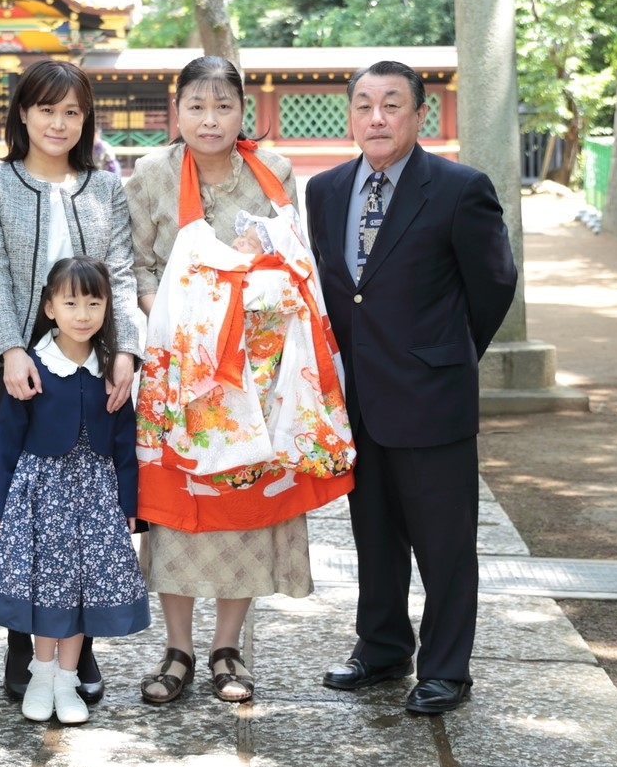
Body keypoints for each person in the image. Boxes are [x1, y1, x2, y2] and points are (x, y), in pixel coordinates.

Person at [127, 56, 353, 705]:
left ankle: (228, 647)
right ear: (178, 111)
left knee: (245, 511)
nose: (209, 118)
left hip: (257, 370)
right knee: (175, 512)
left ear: (241, 110)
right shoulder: (151, 175)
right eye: (196, 105)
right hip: (181, 368)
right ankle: (177, 649)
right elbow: (136, 268)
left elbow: (294, 258)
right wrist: (186, 319)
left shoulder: (272, 172)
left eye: (223, 105)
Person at [304, 60, 519, 715]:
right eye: (364, 103)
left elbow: (494, 283)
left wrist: (447, 355)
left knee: (444, 541)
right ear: (351, 114)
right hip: (357, 397)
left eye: (391, 104)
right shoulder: (325, 191)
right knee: (373, 532)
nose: (376, 116)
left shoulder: (458, 189)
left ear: (418, 113)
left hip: (431, 395)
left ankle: (447, 667)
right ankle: (382, 645)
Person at [0, 58, 142, 704]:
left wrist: (126, 353)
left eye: (71, 111)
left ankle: (77, 649)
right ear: (22, 115)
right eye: (46, 109)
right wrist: (12, 349)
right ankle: (25, 648)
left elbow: (120, 272)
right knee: (20, 507)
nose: (58, 123)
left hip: (93, 367)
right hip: (19, 363)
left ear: (85, 118)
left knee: (89, 511)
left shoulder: (105, 188)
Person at [0, 256, 150, 726]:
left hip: (95, 498)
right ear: (50, 307)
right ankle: (42, 673)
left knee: (82, 590)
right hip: (40, 496)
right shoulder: (34, 366)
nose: (83, 313)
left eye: (94, 302)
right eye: (70, 302)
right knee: (45, 586)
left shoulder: (113, 370)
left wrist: (131, 505)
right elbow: (6, 438)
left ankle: (68, 678)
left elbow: (127, 442)